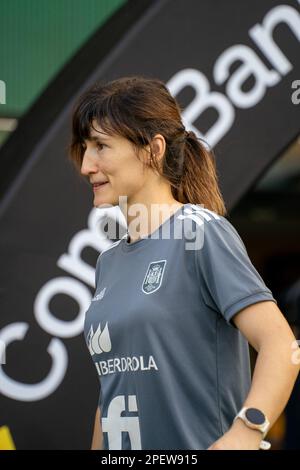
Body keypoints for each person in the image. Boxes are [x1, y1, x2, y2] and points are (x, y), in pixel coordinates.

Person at [69, 75, 299, 450]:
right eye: (84, 147)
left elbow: (280, 344)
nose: (86, 165)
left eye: (100, 146)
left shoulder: (201, 233)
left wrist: (245, 432)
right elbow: (111, 395)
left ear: (152, 150)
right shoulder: (108, 262)